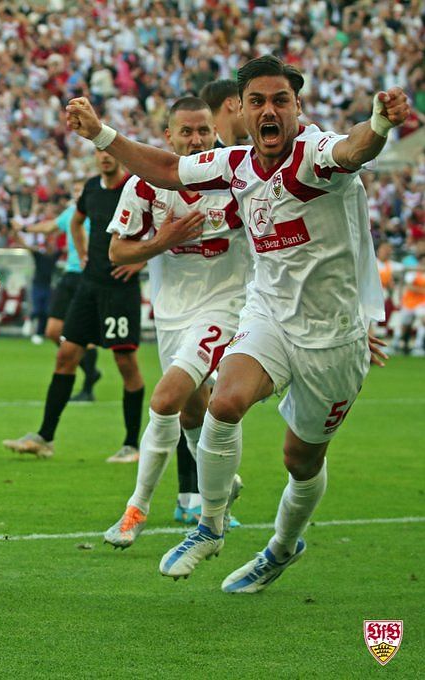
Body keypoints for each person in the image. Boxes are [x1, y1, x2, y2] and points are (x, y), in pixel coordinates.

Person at [66, 54, 408, 591]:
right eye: (257, 102)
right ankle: (210, 525)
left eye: (280, 100)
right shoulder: (236, 164)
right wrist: (102, 134)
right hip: (267, 313)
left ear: (298, 108)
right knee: (223, 404)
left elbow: (355, 146)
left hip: (332, 336)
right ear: (243, 112)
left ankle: (281, 546)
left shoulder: (315, 154)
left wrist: (383, 123)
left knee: (301, 458)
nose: (268, 111)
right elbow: (166, 168)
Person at [102, 96, 248, 548]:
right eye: (186, 132)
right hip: (171, 312)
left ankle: (136, 510)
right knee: (190, 409)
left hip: (225, 306)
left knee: (164, 398)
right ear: (169, 136)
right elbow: (118, 252)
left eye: (203, 130)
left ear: (215, 133)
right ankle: (221, 479)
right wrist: (162, 241)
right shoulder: (147, 186)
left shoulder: (238, 179)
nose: (196, 139)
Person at [3, 149, 146, 463]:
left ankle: (132, 444)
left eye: (111, 151)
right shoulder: (92, 188)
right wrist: (83, 253)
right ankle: (45, 437)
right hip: (89, 284)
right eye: (100, 152)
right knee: (66, 354)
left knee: (126, 363)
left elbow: (161, 225)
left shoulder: (136, 188)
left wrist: (141, 260)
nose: (106, 157)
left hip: (120, 289)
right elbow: (77, 222)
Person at [17, 181, 101, 400]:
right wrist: (25, 228)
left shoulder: (101, 210)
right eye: (74, 191)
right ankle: (91, 372)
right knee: (53, 331)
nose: (76, 194)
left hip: (90, 276)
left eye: (80, 190)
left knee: (86, 335)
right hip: (70, 275)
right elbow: (49, 227)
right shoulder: (72, 213)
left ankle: (88, 388)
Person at [199, 80, 249, 147]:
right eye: (243, 103)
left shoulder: (247, 154)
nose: (249, 112)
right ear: (230, 104)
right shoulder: (202, 152)